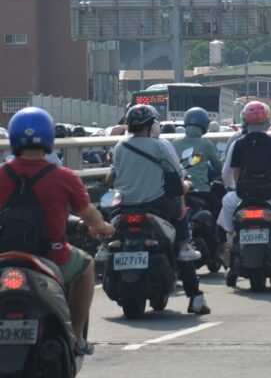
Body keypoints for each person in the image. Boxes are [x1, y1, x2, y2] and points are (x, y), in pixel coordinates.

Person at [0, 107, 114, 354]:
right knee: (86, 266)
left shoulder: (1, 174)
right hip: (52, 256)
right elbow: (89, 215)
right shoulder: (64, 177)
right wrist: (103, 227)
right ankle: (75, 336)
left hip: (5, 256)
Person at [111, 105, 210, 315]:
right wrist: (187, 186)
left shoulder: (120, 146)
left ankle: (104, 245)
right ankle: (194, 295)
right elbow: (177, 176)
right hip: (157, 205)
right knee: (181, 212)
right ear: (152, 124)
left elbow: (113, 176)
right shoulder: (161, 146)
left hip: (126, 206)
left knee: (112, 223)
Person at [218, 102, 271, 285]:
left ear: (244, 122)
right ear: (268, 121)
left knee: (227, 202)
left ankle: (230, 239)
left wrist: (233, 186)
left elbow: (229, 174)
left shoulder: (238, 144)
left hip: (243, 197)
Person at [175, 107, 223, 211]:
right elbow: (219, 167)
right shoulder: (206, 144)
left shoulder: (174, 143)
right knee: (218, 209)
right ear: (205, 124)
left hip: (179, 192)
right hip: (201, 191)